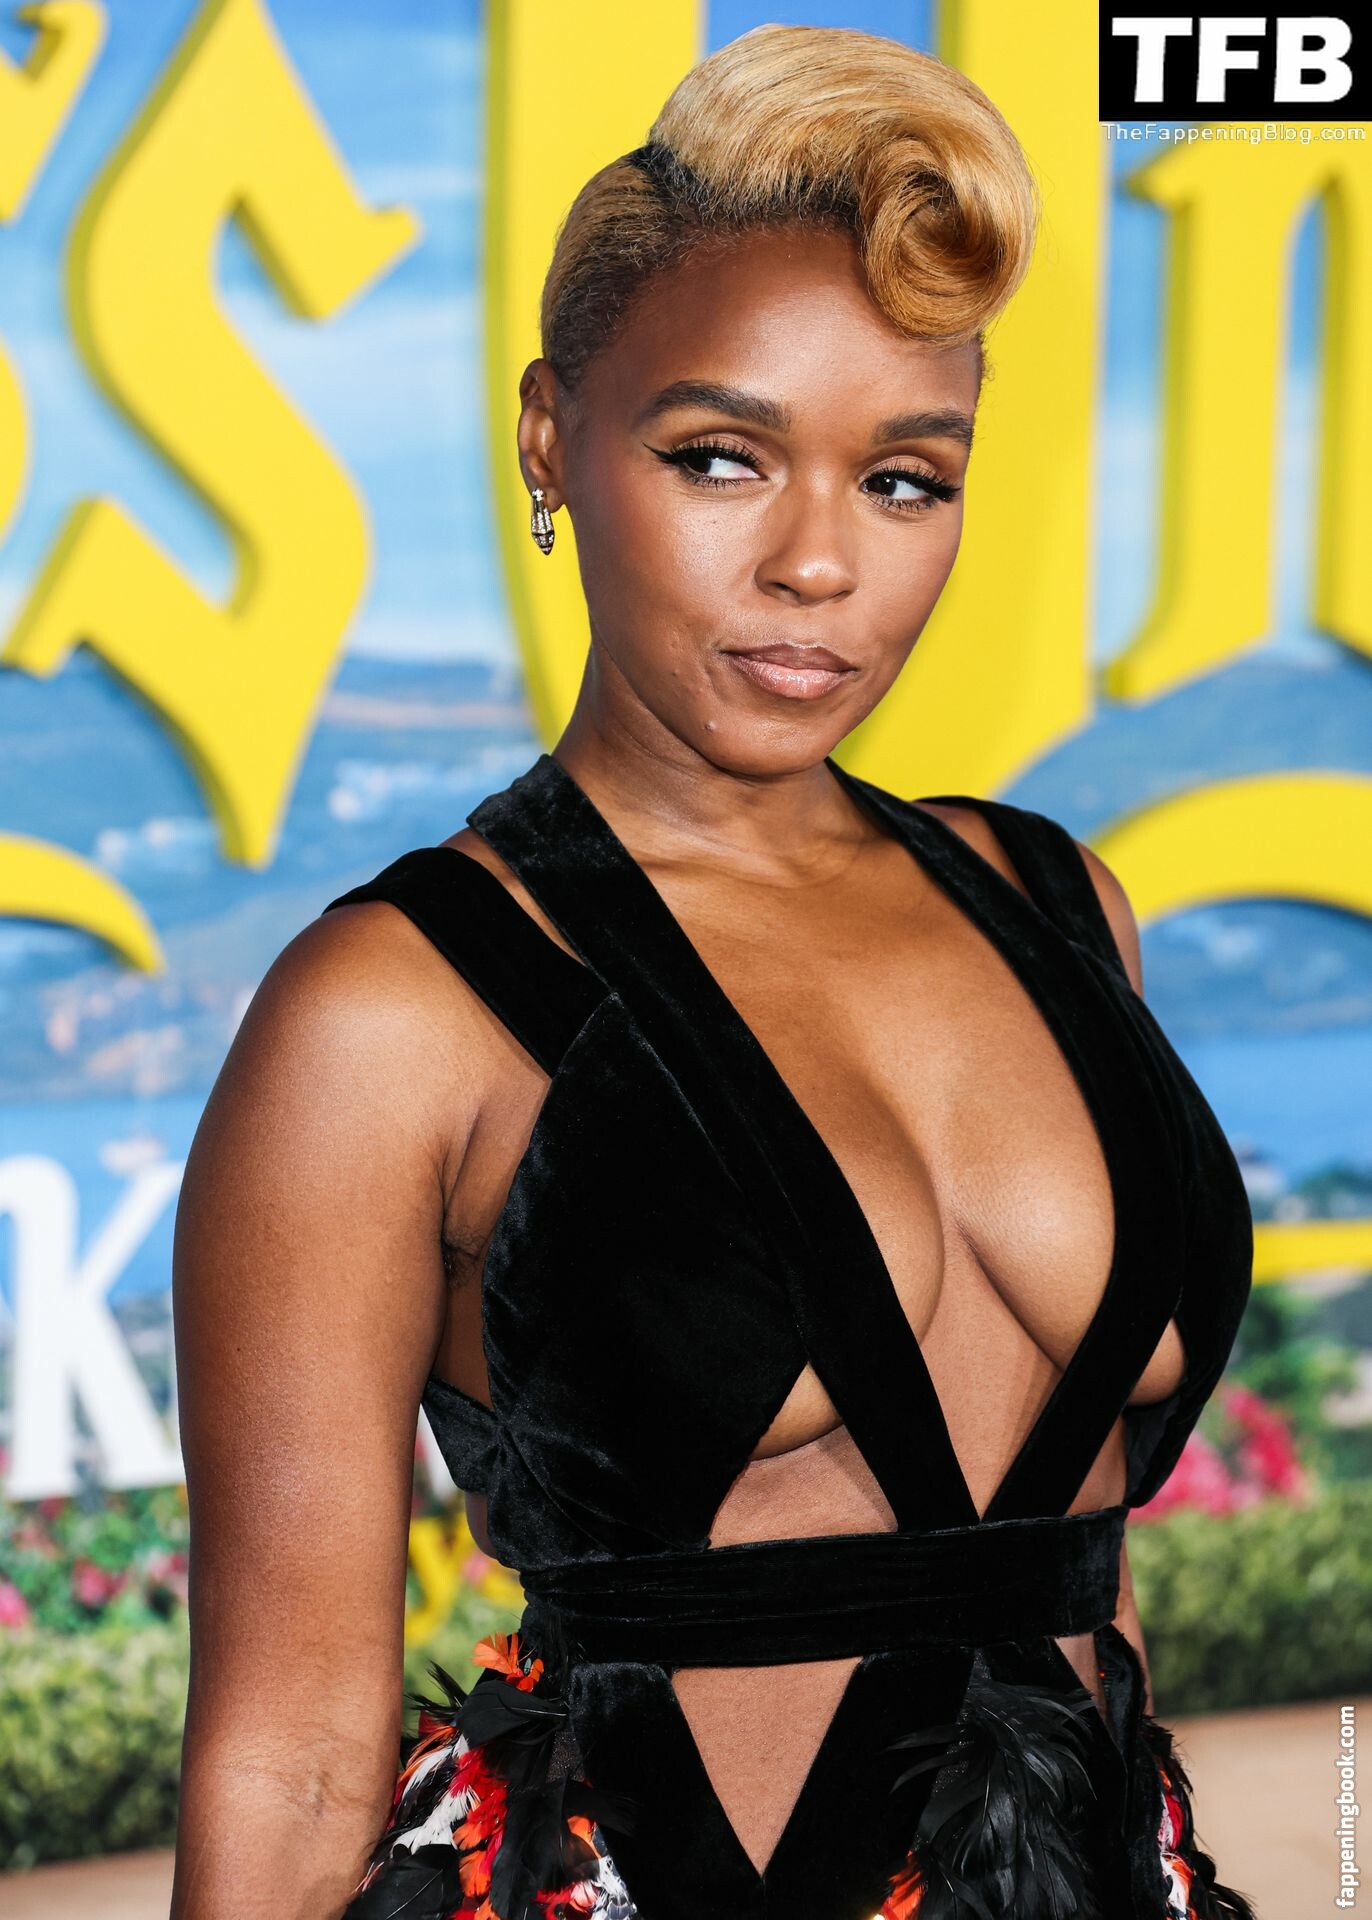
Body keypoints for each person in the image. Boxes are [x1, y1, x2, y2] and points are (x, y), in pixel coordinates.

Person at [170, 24, 1258, 1920]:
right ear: (550, 437)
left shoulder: (1062, 906)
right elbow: (292, 1759)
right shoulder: (394, 1010)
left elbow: (1080, 1583)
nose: (816, 564)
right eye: (721, 458)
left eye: (902, 479)